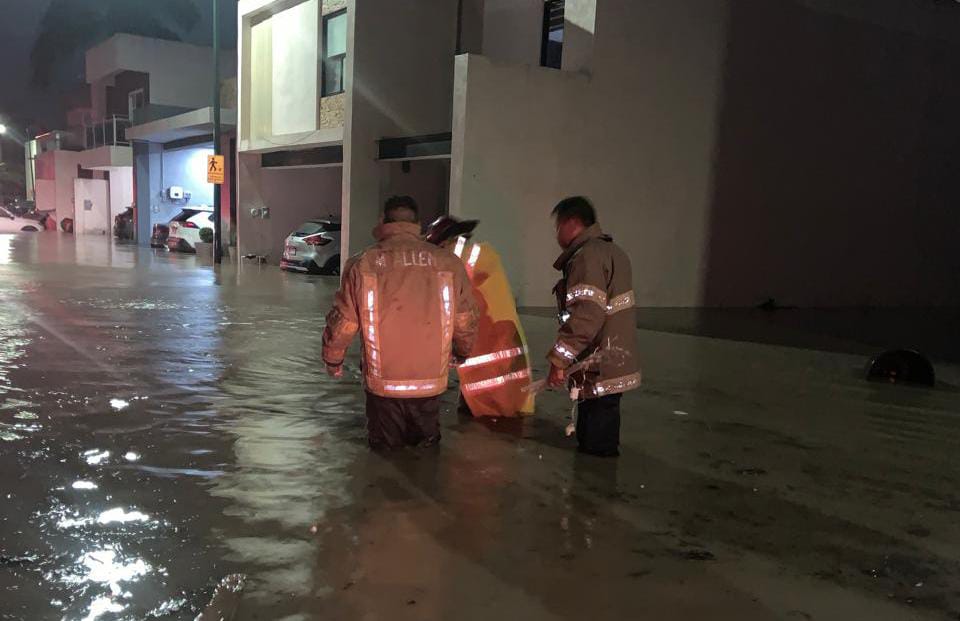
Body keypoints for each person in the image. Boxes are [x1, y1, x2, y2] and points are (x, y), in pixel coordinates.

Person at [322, 196, 478, 450]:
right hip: (430, 382)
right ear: (417, 224)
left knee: (386, 458)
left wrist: (333, 359)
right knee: (427, 454)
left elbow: (344, 322)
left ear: (383, 221)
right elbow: (466, 319)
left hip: (383, 385)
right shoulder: (449, 263)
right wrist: (462, 352)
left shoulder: (363, 263)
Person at [546, 196, 639, 457]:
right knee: (602, 424)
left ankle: (599, 490)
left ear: (572, 223)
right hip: (610, 358)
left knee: (597, 447)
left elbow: (586, 316)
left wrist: (559, 359)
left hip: (599, 363)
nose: (556, 234)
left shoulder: (587, 257)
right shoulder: (612, 252)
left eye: (558, 226)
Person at [424, 216, 535, 418]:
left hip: (488, 363)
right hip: (497, 356)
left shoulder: (463, 265)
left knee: (491, 418)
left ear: (447, 243)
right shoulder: (482, 258)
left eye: (437, 249)